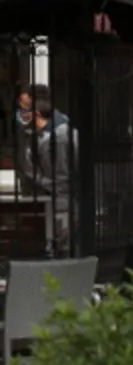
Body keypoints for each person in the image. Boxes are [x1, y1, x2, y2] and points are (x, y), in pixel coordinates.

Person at [18, 98, 76, 253]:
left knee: (60, 239)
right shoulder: (68, 130)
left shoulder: (53, 139)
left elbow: (29, 167)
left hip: (58, 193)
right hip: (68, 193)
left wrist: (43, 181)